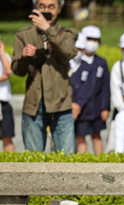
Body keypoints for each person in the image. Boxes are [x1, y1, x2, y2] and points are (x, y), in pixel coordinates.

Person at [12, 0, 77, 154]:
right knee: (34, 161)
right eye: (42, 6)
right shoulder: (23, 35)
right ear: (36, 8)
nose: (47, 10)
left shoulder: (68, 34)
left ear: (59, 9)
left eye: (51, 7)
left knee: (65, 159)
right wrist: (25, 57)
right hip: (34, 105)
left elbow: (67, 54)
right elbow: (17, 71)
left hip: (61, 104)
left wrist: (48, 30)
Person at [71, 26, 109, 154]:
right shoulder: (76, 62)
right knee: (80, 137)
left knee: (96, 135)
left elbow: (105, 87)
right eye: (89, 39)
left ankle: (100, 162)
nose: (92, 42)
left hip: (96, 107)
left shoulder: (101, 62)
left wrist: (105, 107)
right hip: (80, 109)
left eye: (95, 39)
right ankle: (83, 164)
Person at [0, 39, 15, 152]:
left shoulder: (4, 55)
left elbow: (9, 71)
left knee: (7, 136)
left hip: (3, 102)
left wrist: (2, 51)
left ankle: (10, 166)